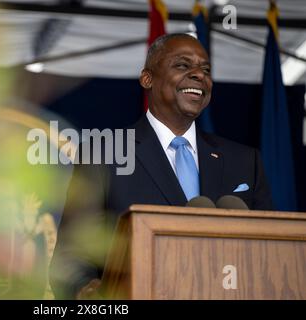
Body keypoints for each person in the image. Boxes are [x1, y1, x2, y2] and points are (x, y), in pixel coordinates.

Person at [49, 33, 273, 299]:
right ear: (147, 78)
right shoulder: (105, 152)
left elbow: (271, 248)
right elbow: (71, 255)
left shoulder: (245, 161)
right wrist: (85, 290)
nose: (199, 75)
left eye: (206, 69)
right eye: (182, 65)